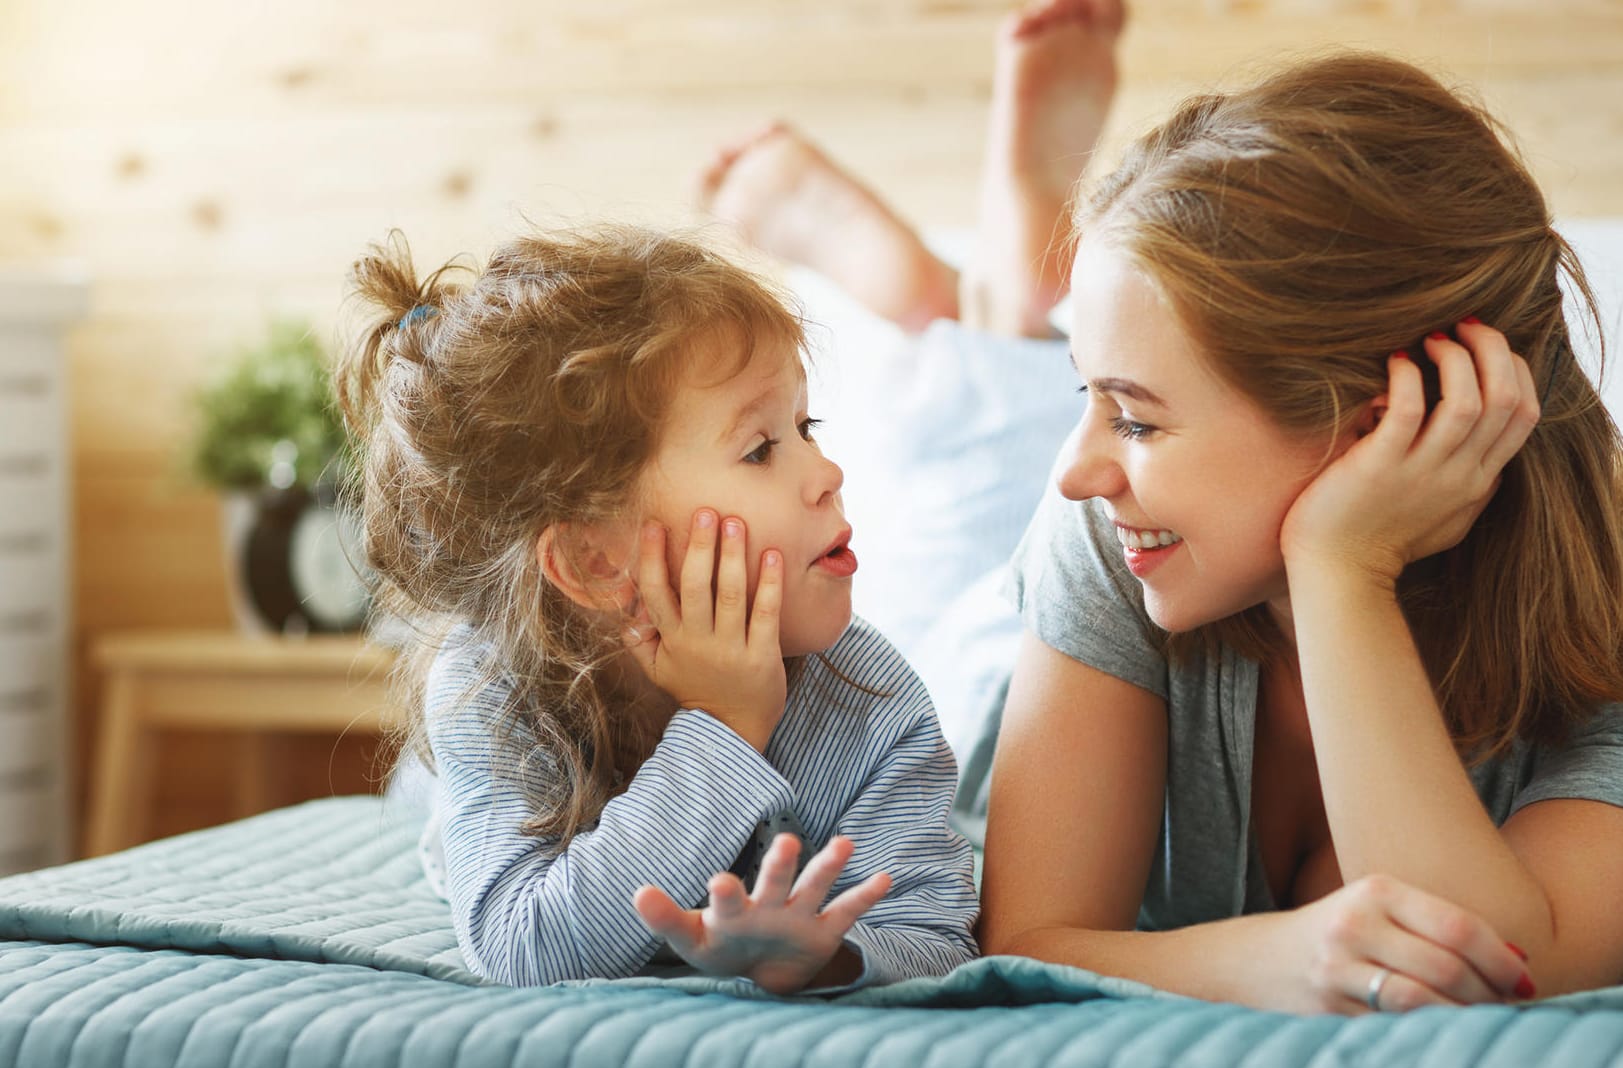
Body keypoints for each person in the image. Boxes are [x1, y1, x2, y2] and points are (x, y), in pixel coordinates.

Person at [699, 0, 1623, 1014]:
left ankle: (998, 307)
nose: (1081, 470)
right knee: (983, 539)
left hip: (1109, 578)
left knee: (986, 502)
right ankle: (996, 296)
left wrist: (1340, 569)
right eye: (1092, 400)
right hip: (990, 671)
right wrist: (1274, 960)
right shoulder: (1100, 533)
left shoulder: (1600, 619)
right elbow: (1025, 938)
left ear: (1380, 425)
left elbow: (1495, 971)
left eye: (1137, 420)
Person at [336, 226, 979, 994]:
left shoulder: (869, 698)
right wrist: (723, 727)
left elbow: (937, 934)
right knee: (435, 804)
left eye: (806, 429)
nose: (828, 473)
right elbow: (525, 947)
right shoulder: (491, 688)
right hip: (470, 780)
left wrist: (827, 954)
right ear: (594, 561)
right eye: (759, 449)